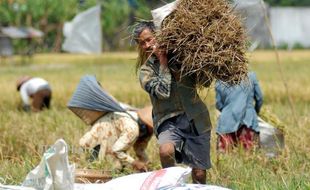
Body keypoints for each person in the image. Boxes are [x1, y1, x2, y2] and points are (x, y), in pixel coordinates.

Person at [133, 21, 212, 184]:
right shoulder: (146, 71)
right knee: (165, 151)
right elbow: (162, 92)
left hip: (195, 118)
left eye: (150, 39)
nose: (148, 45)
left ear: (159, 36)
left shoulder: (182, 58)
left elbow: (205, 82)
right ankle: (171, 184)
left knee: (199, 174)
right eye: (143, 43)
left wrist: (204, 60)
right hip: (167, 121)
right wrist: (163, 62)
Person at [79, 105, 153, 172]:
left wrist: (146, 162)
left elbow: (140, 149)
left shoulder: (146, 131)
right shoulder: (132, 128)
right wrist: (135, 163)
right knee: (98, 168)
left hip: (111, 136)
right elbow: (115, 150)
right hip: (101, 136)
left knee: (117, 166)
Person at [215, 71, 263, 152]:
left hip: (226, 122)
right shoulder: (250, 76)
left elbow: (219, 104)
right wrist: (255, 112)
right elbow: (259, 98)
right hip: (248, 120)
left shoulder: (220, 79)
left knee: (225, 157)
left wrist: (228, 111)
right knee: (249, 156)